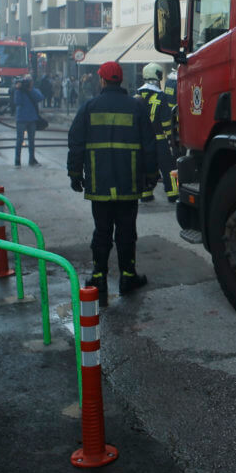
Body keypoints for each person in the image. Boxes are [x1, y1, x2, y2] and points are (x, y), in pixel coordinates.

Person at [67, 61, 159, 306]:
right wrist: (151, 175)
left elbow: (75, 142)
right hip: (129, 183)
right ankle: (128, 277)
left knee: (102, 230)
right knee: (127, 231)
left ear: (102, 80)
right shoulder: (136, 107)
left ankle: (99, 278)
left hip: (99, 183)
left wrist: (75, 174)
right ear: (121, 81)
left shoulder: (89, 107)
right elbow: (149, 145)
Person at [135, 63, 178, 204]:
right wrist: (171, 139)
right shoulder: (161, 96)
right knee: (168, 166)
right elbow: (166, 121)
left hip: (142, 140)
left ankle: (146, 194)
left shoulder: (136, 95)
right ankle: (172, 194)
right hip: (159, 140)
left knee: (145, 166)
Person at [13, 75, 43, 167]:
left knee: (31, 140)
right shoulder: (19, 91)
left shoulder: (33, 90)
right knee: (20, 140)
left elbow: (40, 97)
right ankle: (17, 160)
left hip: (32, 118)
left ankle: (32, 159)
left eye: (29, 81)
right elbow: (17, 102)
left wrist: (30, 90)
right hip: (21, 118)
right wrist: (19, 89)